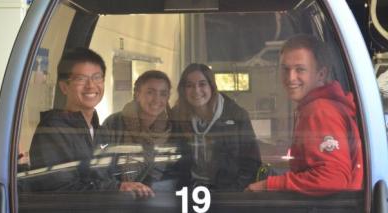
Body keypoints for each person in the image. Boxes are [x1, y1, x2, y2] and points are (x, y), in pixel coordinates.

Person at [245, 34, 363, 195]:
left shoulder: (320, 111)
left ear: (321, 74)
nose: (290, 78)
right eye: (285, 69)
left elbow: (333, 178)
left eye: (300, 69)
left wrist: (268, 185)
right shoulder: (321, 106)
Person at [28, 47, 121, 191]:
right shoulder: (52, 130)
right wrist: (116, 189)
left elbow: (110, 175)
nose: (91, 85)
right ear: (64, 87)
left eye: (97, 77)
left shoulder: (101, 132)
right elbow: (62, 188)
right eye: (81, 79)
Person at [171, 63, 262, 192]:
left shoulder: (236, 115)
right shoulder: (178, 115)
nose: (196, 90)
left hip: (225, 194)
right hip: (189, 191)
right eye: (189, 85)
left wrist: (232, 193)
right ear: (183, 90)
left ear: (212, 87)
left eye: (202, 84)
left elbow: (252, 163)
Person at [102, 70, 172, 197]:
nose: (157, 99)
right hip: (117, 198)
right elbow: (100, 168)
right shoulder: (113, 123)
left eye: (163, 94)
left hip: (153, 199)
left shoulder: (170, 129)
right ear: (137, 94)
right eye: (150, 92)